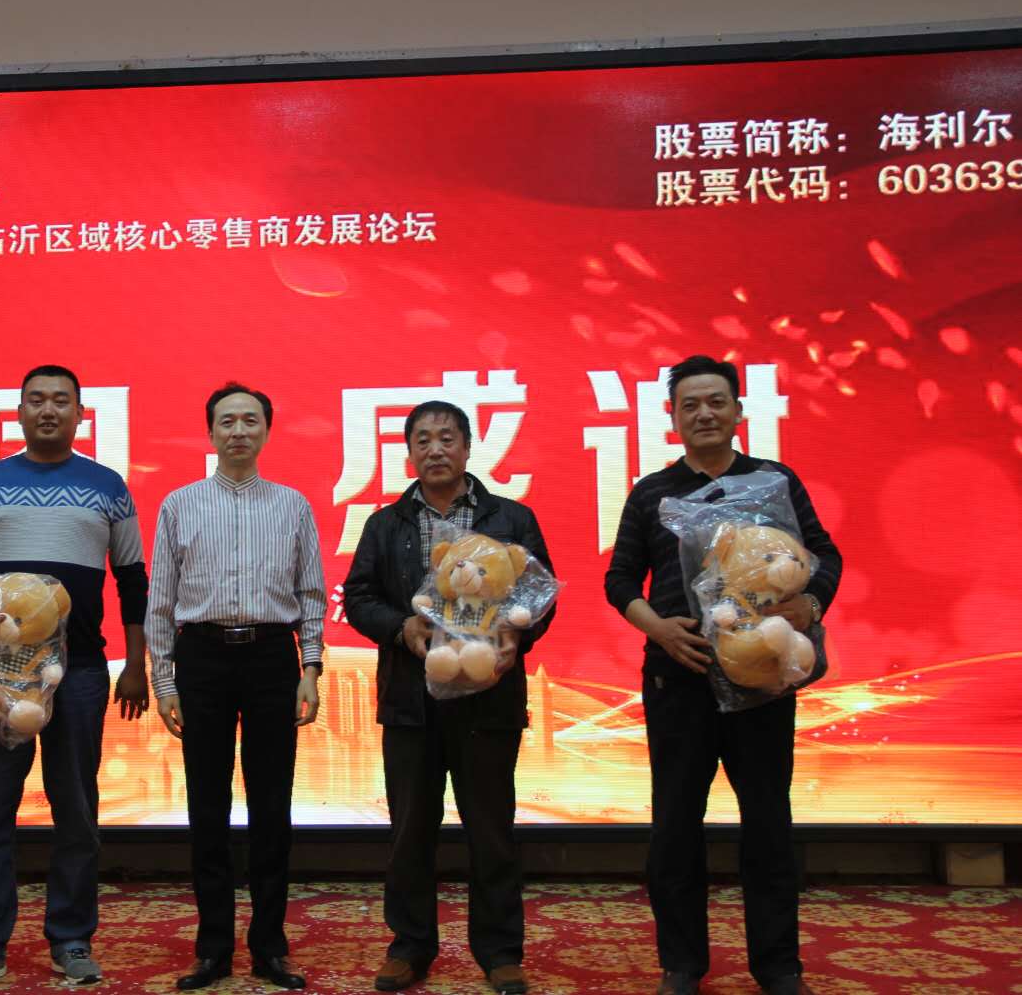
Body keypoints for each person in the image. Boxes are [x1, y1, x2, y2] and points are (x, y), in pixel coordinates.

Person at [604, 355, 840, 995]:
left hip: (762, 677)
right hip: (678, 676)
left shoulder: (773, 481)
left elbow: (823, 553)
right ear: (673, 416)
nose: (703, 413)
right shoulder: (652, 492)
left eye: (716, 401)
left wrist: (809, 604)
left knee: (768, 822)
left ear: (738, 410)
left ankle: (778, 965)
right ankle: (682, 964)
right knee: (675, 825)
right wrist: (658, 628)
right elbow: (619, 579)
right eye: (690, 404)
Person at [0, 364, 150, 989]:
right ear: (19, 411)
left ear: (81, 414)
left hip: (78, 673)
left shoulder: (108, 487)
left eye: (61, 401)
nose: (48, 410)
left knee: (75, 809)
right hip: (0, 675)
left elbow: (133, 581)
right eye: (36, 400)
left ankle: (72, 937)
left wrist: (135, 665)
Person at [343, 400, 554, 995]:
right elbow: (358, 597)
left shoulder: (511, 518)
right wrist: (399, 627)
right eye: (423, 439)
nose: (435, 449)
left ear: (467, 446)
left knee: (492, 830)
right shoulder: (385, 524)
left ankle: (500, 952)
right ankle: (409, 946)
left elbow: (540, 597)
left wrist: (515, 635)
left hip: (489, 699)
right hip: (411, 700)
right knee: (410, 830)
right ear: (408, 451)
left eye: (447, 438)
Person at [145, 382, 327, 991]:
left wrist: (310, 668)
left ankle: (270, 947)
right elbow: (161, 599)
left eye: (251, 420)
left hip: (273, 658)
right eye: (227, 421)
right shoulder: (179, 505)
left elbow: (310, 594)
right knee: (207, 806)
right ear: (211, 432)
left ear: (267, 431)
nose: (239, 431)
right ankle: (213, 949)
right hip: (202, 658)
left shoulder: (293, 506)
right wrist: (164, 680)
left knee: (273, 805)